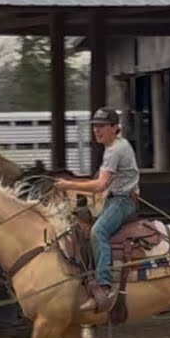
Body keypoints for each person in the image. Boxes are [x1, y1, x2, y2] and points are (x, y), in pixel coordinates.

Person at [54, 107, 142, 313]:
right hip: (117, 199)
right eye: (95, 126)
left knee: (98, 231)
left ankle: (105, 285)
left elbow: (99, 185)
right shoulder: (116, 146)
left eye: (102, 126)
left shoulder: (114, 150)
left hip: (122, 202)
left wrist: (68, 185)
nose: (96, 130)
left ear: (115, 128)